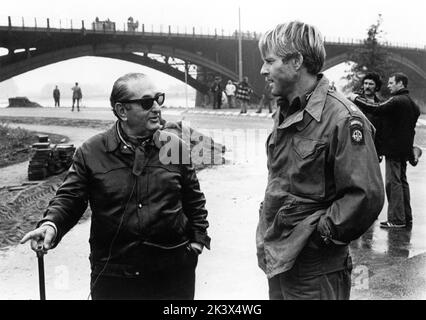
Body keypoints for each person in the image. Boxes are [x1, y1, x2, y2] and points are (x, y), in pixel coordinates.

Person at [20, 73, 211, 300]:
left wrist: (197, 243)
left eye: (159, 99)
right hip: (115, 278)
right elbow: (70, 198)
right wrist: (51, 224)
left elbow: (194, 200)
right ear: (122, 111)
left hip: (173, 275)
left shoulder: (175, 147)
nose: (157, 108)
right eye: (147, 102)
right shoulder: (91, 152)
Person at [256, 21, 384, 300]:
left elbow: (366, 196)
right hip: (280, 260)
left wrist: (320, 237)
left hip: (315, 269)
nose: (263, 70)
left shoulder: (342, 118)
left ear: (296, 61)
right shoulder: (287, 110)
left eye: (269, 61)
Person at [349, 73, 420, 229]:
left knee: (393, 183)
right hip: (404, 150)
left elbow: (377, 108)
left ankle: (396, 219)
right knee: (402, 183)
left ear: (400, 84)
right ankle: (406, 217)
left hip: (393, 150)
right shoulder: (413, 104)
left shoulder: (396, 100)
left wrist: (355, 98)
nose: (389, 85)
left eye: (392, 82)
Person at [351, 72, 384, 160]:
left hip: (373, 145)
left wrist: (379, 150)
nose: (367, 86)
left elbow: (381, 128)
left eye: (371, 84)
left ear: (376, 87)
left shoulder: (380, 104)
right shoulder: (354, 99)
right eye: (365, 83)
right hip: (356, 142)